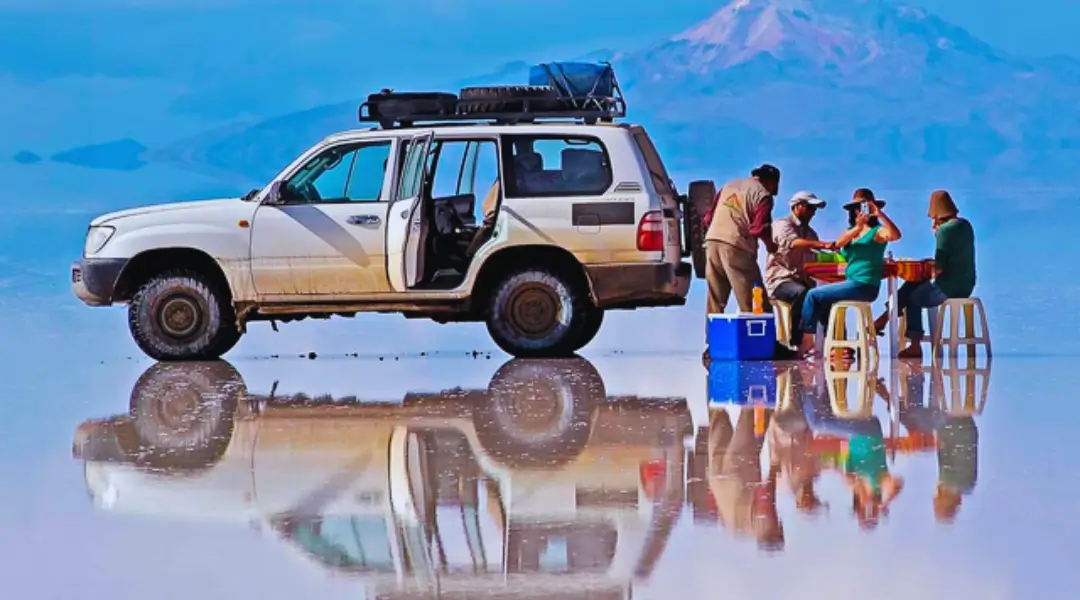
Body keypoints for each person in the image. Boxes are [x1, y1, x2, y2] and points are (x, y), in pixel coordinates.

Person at [796, 189, 902, 358]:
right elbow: (839, 243)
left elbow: (895, 235)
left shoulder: (877, 232)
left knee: (812, 295)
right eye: (858, 207)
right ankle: (838, 347)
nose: (861, 210)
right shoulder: (852, 231)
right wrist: (858, 227)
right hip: (852, 283)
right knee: (823, 301)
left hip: (864, 285)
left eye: (865, 206)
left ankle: (807, 339)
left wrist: (880, 214)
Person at [874, 190, 977, 359]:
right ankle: (884, 318)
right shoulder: (965, 225)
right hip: (966, 285)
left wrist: (937, 235)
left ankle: (914, 344)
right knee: (912, 284)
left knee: (914, 298)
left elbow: (939, 269)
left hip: (948, 287)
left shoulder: (945, 230)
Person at [704, 163, 781, 317]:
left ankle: (712, 339)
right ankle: (760, 340)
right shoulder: (763, 195)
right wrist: (771, 246)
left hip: (712, 241)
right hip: (736, 245)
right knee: (755, 301)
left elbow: (707, 219)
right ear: (772, 182)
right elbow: (759, 228)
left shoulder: (728, 186)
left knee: (715, 300)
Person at [766, 190, 834, 348]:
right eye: (810, 208)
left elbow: (815, 258)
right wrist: (823, 245)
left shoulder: (811, 234)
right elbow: (793, 242)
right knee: (801, 293)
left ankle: (833, 343)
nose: (813, 213)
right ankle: (797, 342)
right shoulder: (782, 224)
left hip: (804, 282)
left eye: (814, 209)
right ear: (798, 206)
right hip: (781, 281)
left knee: (828, 296)